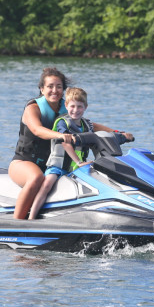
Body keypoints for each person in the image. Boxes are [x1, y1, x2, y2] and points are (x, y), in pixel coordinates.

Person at [9, 68, 133, 220]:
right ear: (42, 89)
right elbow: (37, 130)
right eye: (50, 86)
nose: (55, 90)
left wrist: (118, 133)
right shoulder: (33, 108)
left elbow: (92, 126)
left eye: (59, 87)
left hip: (56, 163)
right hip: (24, 162)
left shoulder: (67, 107)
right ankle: (19, 223)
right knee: (36, 178)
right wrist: (62, 136)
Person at [27, 87, 94, 220]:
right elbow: (65, 143)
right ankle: (31, 218)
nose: (76, 110)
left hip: (75, 168)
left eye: (79, 106)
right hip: (58, 166)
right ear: (66, 106)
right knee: (46, 185)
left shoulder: (87, 125)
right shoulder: (62, 123)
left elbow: (95, 142)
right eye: (72, 106)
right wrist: (79, 162)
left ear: (85, 107)